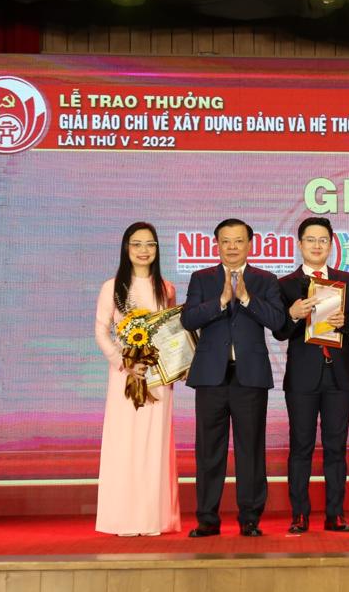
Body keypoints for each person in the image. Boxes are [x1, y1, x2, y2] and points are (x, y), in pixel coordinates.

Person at [181, 218, 285, 538]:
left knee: (250, 450)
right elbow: (188, 319)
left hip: (249, 377)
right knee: (208, 450)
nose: (232, 247)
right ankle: (207, 519)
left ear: (250, 244)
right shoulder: (202, 278)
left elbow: (278, 322)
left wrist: (247, 299)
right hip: (211, 377)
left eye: (239, 241)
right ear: (216, 244)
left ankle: (250, 518)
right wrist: (221, 301)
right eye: (225, 241)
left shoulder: (265, 280)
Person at [273, 217, 349, 534]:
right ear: (300, 244)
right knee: (301, 446)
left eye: (323, 240)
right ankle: (299, 514)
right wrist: (292, 315)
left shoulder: (347, 280)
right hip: (302, 378)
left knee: (336, 447)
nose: (317, 245)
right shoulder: (285, 284)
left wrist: (345, 322)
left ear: (331, 244)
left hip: (339, 376)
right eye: (311, 240)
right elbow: (279, 331)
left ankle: (335, 514)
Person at [94, 222, 181, 536]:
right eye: (137, 244)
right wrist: (124, 362)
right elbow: (101, 331)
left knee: (154, 444)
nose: (144, 250)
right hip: (125, 377)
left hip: (157, 377)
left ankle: (152, 518)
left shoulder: (166, 288)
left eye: (150, 244)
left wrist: (171, 367)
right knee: (125, 443)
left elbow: (172, 332)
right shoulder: (112, 287)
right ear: (126, 248)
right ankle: (123, 518)